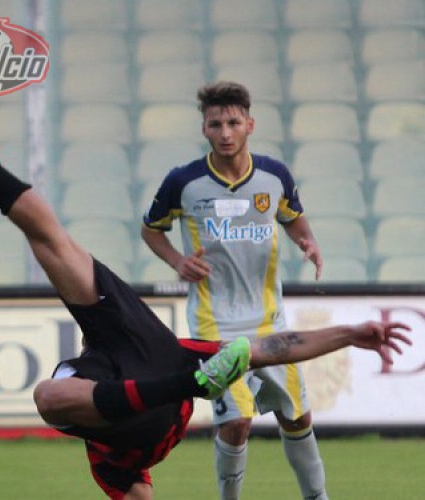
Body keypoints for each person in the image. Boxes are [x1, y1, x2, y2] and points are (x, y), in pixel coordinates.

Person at [0, 107, 411, 500]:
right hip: (149, 352)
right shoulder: (158, 405)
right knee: (50, 245)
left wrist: (350, 334)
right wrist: (351, 333)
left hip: (125, 356)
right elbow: (271, 346)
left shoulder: (113, 464)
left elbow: (273, 345)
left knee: (49, 383)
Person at [141, 81, 327, 500]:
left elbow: (293, 217)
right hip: (214, 325)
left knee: (296, 417)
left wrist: (307, 241)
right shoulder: (183, 182)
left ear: (250, 125)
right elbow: (151, 230)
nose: (225, 132)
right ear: (204, 129)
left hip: (270, 322)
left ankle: (318, 497)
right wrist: (177, 261)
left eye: (233, 122)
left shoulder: (273, 176)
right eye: (215, 124)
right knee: (236, 420)